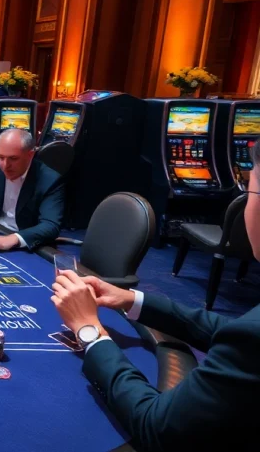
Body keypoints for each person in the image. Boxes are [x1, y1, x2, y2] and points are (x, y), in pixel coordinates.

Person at [50, 142, 260, 452]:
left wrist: (88, 330)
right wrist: (130, 299)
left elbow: (156, 426)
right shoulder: (249, 334)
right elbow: (227, 330)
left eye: (249, 188)